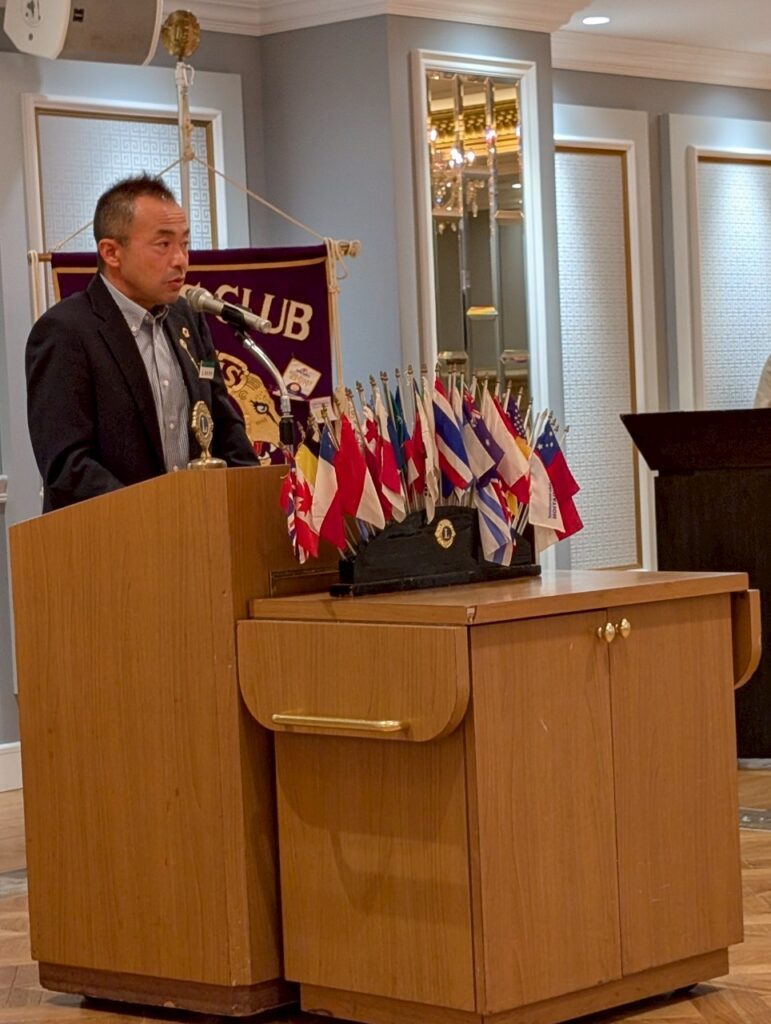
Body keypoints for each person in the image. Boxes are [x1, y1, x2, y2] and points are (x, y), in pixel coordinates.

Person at [26, 174, 258, 512]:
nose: (180, 259)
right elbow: (67, 466)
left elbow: (223, 424)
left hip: (199, 528)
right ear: (111, 253)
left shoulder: (187, 318)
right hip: (114, 534)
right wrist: (153, 516)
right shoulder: (65, 331)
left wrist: (254, 498)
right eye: (163, 245)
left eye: (185, 244)